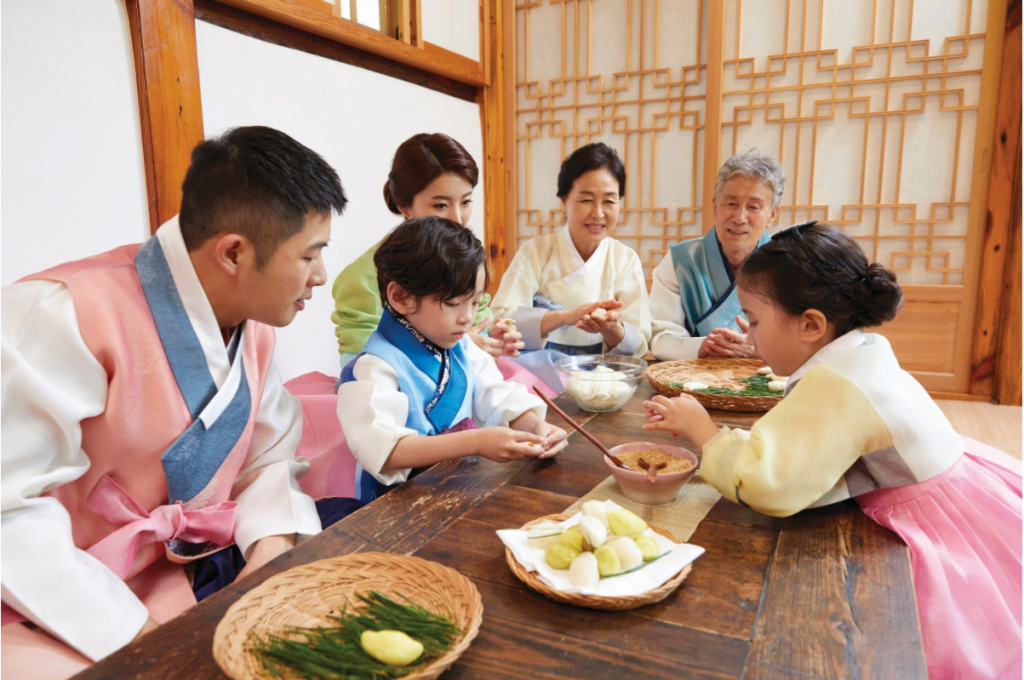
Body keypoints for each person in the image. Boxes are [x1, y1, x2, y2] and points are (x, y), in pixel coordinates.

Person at [1, 126, 358, 679]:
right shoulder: (59, 314)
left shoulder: (251, 326)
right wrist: (137, 635)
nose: (320, 275)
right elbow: (9, 513)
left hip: (177, 569)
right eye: (310, 254)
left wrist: (268, 555)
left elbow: (267, 460)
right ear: (234, 252)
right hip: (51, 591)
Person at [643, 223, 1022, 680]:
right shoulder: (860, 350)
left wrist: (703, 431)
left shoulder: (838, 383)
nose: (751, 337)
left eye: (756, 323)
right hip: (962, 486)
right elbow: (806, 443)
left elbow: (771, 484)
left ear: (811, 325)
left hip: (932, 516)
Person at [337, 217, 568, 503]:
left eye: (474, 302)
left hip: (458, 487)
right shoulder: (374, 366)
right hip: (397, 504)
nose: (468, 317)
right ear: (401, 297)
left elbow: (495, 395)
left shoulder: (461, 345)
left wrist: (536, 429)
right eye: (452, 303)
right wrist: (475, 442)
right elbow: (386, 450)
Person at [331, 133, 522, 369]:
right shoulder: (361, 279)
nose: (457, 218)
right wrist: (459, 351)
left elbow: (478, 330)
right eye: (440, 205)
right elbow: (358, 366)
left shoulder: (468, 260)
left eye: (466, 202)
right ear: (404, 206)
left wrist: (495, 338)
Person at [490, 143, 651, 389]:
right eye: (586, 199)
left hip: (603, 379)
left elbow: (638, 344)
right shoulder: (536, 251)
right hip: (536, 377)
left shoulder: (625, 259)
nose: (598, 213)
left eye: (609, 201)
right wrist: (565, 317)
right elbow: (501, 320)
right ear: (564, 201)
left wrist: (611, 328)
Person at [649, 150, 787, 360]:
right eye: (731, 204)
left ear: (772, 215)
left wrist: (757, 350)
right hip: (694, 380)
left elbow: (802, 341)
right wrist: (705, 346)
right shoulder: (680, 261)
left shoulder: (787, 265)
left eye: (753, 207)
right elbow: (662, 338)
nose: (740, 217)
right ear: (715, 206)